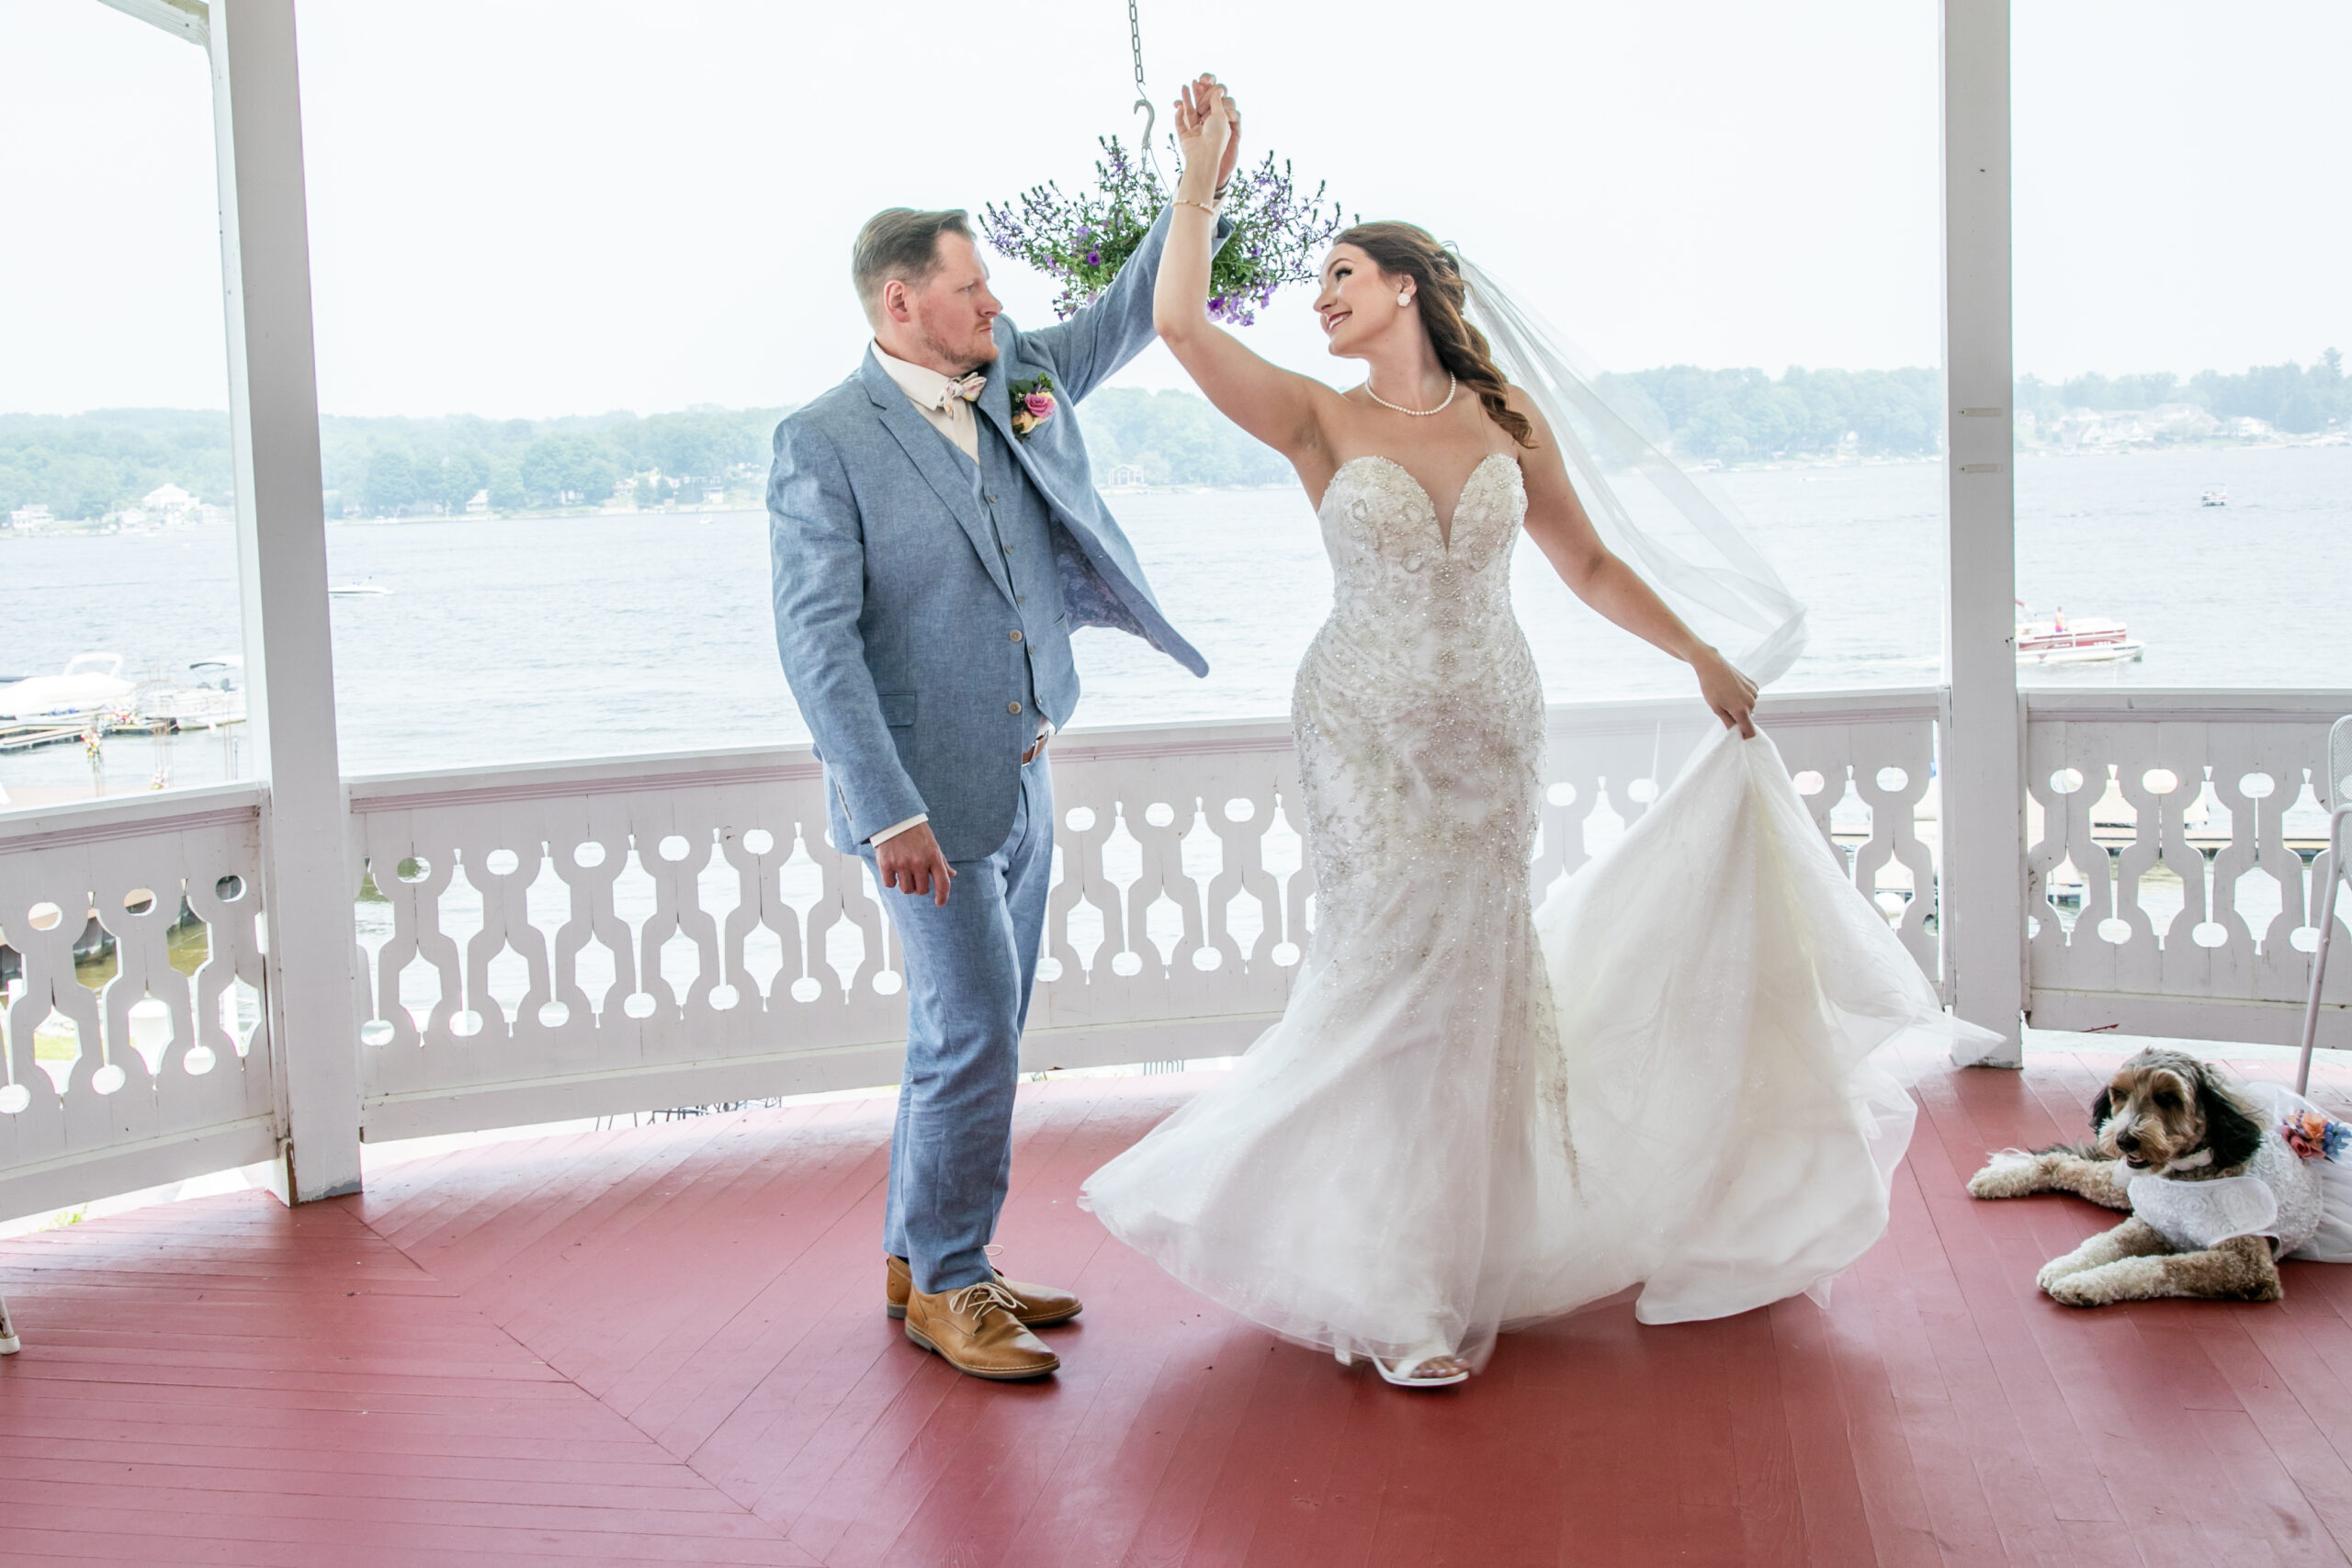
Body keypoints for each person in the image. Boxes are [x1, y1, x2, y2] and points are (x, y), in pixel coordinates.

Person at [1080, 79, 1994, 1386]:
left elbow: (1589, 564)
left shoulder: (1507, 420)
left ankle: (1444, 1256)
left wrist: (1699, 654)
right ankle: (1392, 1290)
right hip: (1365, 745)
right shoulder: (1316, 417)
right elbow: (1176, 321)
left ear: (1407, 285)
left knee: (1468, 998)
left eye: (1342, 274)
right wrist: (1201, 178)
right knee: (1380, 986)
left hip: (1492, 741)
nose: (1320, 298)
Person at [765, 78, 1242, 1383]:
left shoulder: (1018, 379)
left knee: (973, 1032)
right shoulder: (823, 444)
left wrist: (1192, 186)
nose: (999, 308)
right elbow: (817, 644)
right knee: (973, 1032)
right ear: (900, 304)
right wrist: (887, 808)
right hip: (922, 802)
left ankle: (926, 1260)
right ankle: (955, 1282)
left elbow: (1125, 320)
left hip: (1028, 772)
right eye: (973, 291)